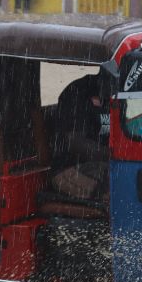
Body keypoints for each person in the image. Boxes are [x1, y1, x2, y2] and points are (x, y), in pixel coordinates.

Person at [48, 73, 112, 201]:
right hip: (70, 170)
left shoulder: (124, 93)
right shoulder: (78, 93)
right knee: (117, 196)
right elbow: (75, 142)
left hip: (105, 165)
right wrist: (117, 155)